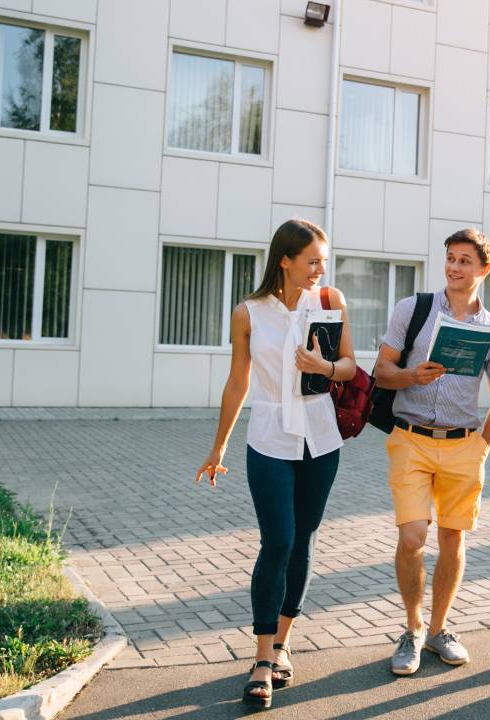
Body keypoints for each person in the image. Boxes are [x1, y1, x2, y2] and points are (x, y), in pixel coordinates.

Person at [195, 218, 356, 709]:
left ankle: (283, 643)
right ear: (285, 260)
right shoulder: (248, 312)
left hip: (320, 438)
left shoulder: (330, 301)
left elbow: (350, 366)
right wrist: (218, 446)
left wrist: (324, 367)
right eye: (312, 261)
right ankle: (262, 658)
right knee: (278, 540)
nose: (319, 269)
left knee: (303, 540)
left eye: (323, 261)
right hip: (268, 437)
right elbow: (237, 381)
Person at [373, 229, 490, 676]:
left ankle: (438, 630)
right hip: (410, 438)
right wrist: (412, 376)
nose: (454, 267)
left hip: (462, 445)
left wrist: (481, 448)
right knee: (412, 538)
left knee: (453, 540)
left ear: (484, 269)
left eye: (464, 260)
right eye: (450, 258)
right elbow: (381, 371)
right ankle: (412, 629)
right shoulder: (412, 310)